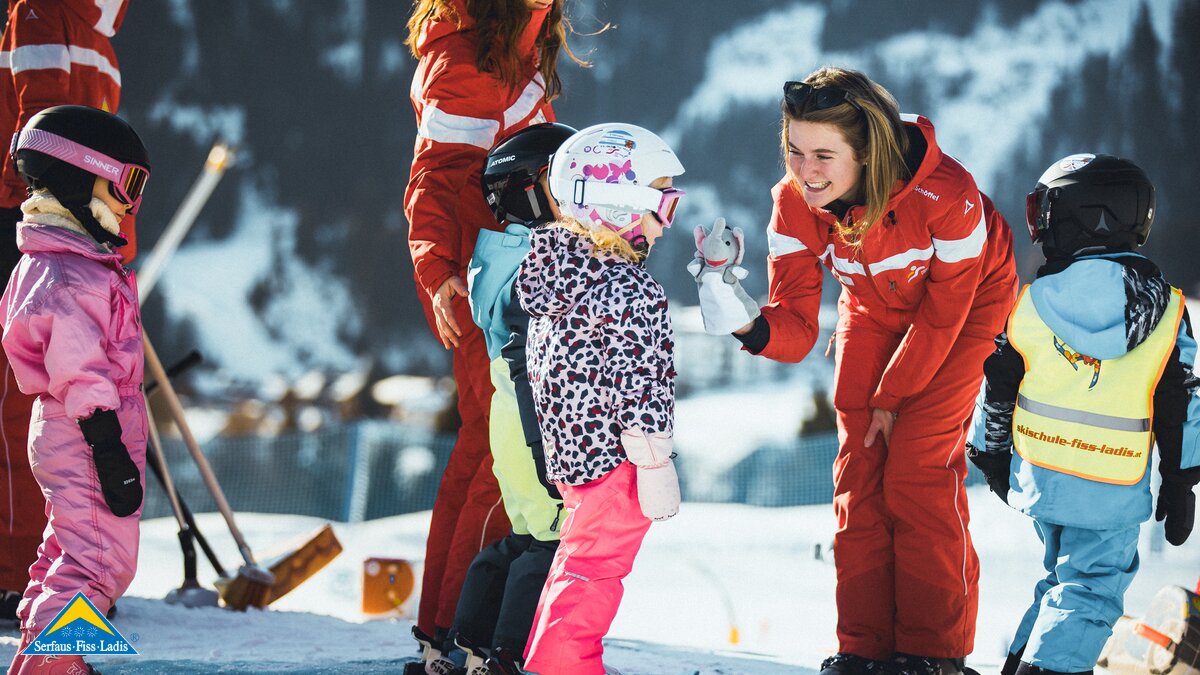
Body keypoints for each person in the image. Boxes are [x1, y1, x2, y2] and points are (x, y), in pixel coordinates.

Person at [691, 66, 1018, 675]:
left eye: (823, 155)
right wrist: (745, 322)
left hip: (967, 307)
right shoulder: (793, 202)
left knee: (918, 469)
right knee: (859, 475)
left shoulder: (947, 193)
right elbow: (796, 327)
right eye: (794, 150)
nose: (805, 170)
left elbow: (943, 316)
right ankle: (863, 648)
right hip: (872, 304)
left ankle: (933, 653)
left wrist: (891, 397)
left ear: (867, 153)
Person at [402, 0, 585, 668]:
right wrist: (438, 273)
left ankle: (449, 629)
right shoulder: (468, 55)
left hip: (506, 272)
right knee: (505, 459)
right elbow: (433, 177)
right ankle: (467, 636)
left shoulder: (511, 43)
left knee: (488, 448)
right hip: (486, 285)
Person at [967, 154, 1200, 675]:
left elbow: (999, 383)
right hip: (1112, 487)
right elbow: (1180, 402)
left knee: (1062, 584)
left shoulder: (1032, 302)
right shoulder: (1165, 310)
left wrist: (990, 453)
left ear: (1084, 216)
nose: (1040, 226)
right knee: (1091, 590)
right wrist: (1181, 479)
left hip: (1043, 481)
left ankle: (1022, 664)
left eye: (1044, 211)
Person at [519, 123, 685, 675]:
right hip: (619, 463)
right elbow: (641, 384)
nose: (665, 223)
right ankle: (564, 666)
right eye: (663, 205)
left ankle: (554, 661)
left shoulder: (558, 281)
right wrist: (655, 464)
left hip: (574, 459)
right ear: (617, 205)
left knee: (575, 564)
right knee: (595, 574)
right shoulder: (630, 289)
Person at [1, 104, 150, 675]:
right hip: (87, 432)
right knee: (99, 566)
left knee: (67, 553)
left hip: (72, 430)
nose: (131, 204)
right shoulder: (68, 275)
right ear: (80, 177)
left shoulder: (61, 262)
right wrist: (107, 445)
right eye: (126, 185)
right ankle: (55, 666)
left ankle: (44, 659)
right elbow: (78, 368)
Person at [0, 0, 134, 621]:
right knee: (61, 415)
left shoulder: (71, 21)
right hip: (72, 233)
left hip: (63, 234)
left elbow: (63, 144)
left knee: (32, 414)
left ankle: (31, 587)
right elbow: (56, 136)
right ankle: (55, 584)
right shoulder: (67, 18)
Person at [433, 122, 576, 675]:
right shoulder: (535, 263)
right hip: (531, 421)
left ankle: (471, 645)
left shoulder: (499, 254)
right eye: (567, 180)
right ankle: (511, 657)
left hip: (509, 420)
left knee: (523, 536)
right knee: (552, 542)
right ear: (533, 190)